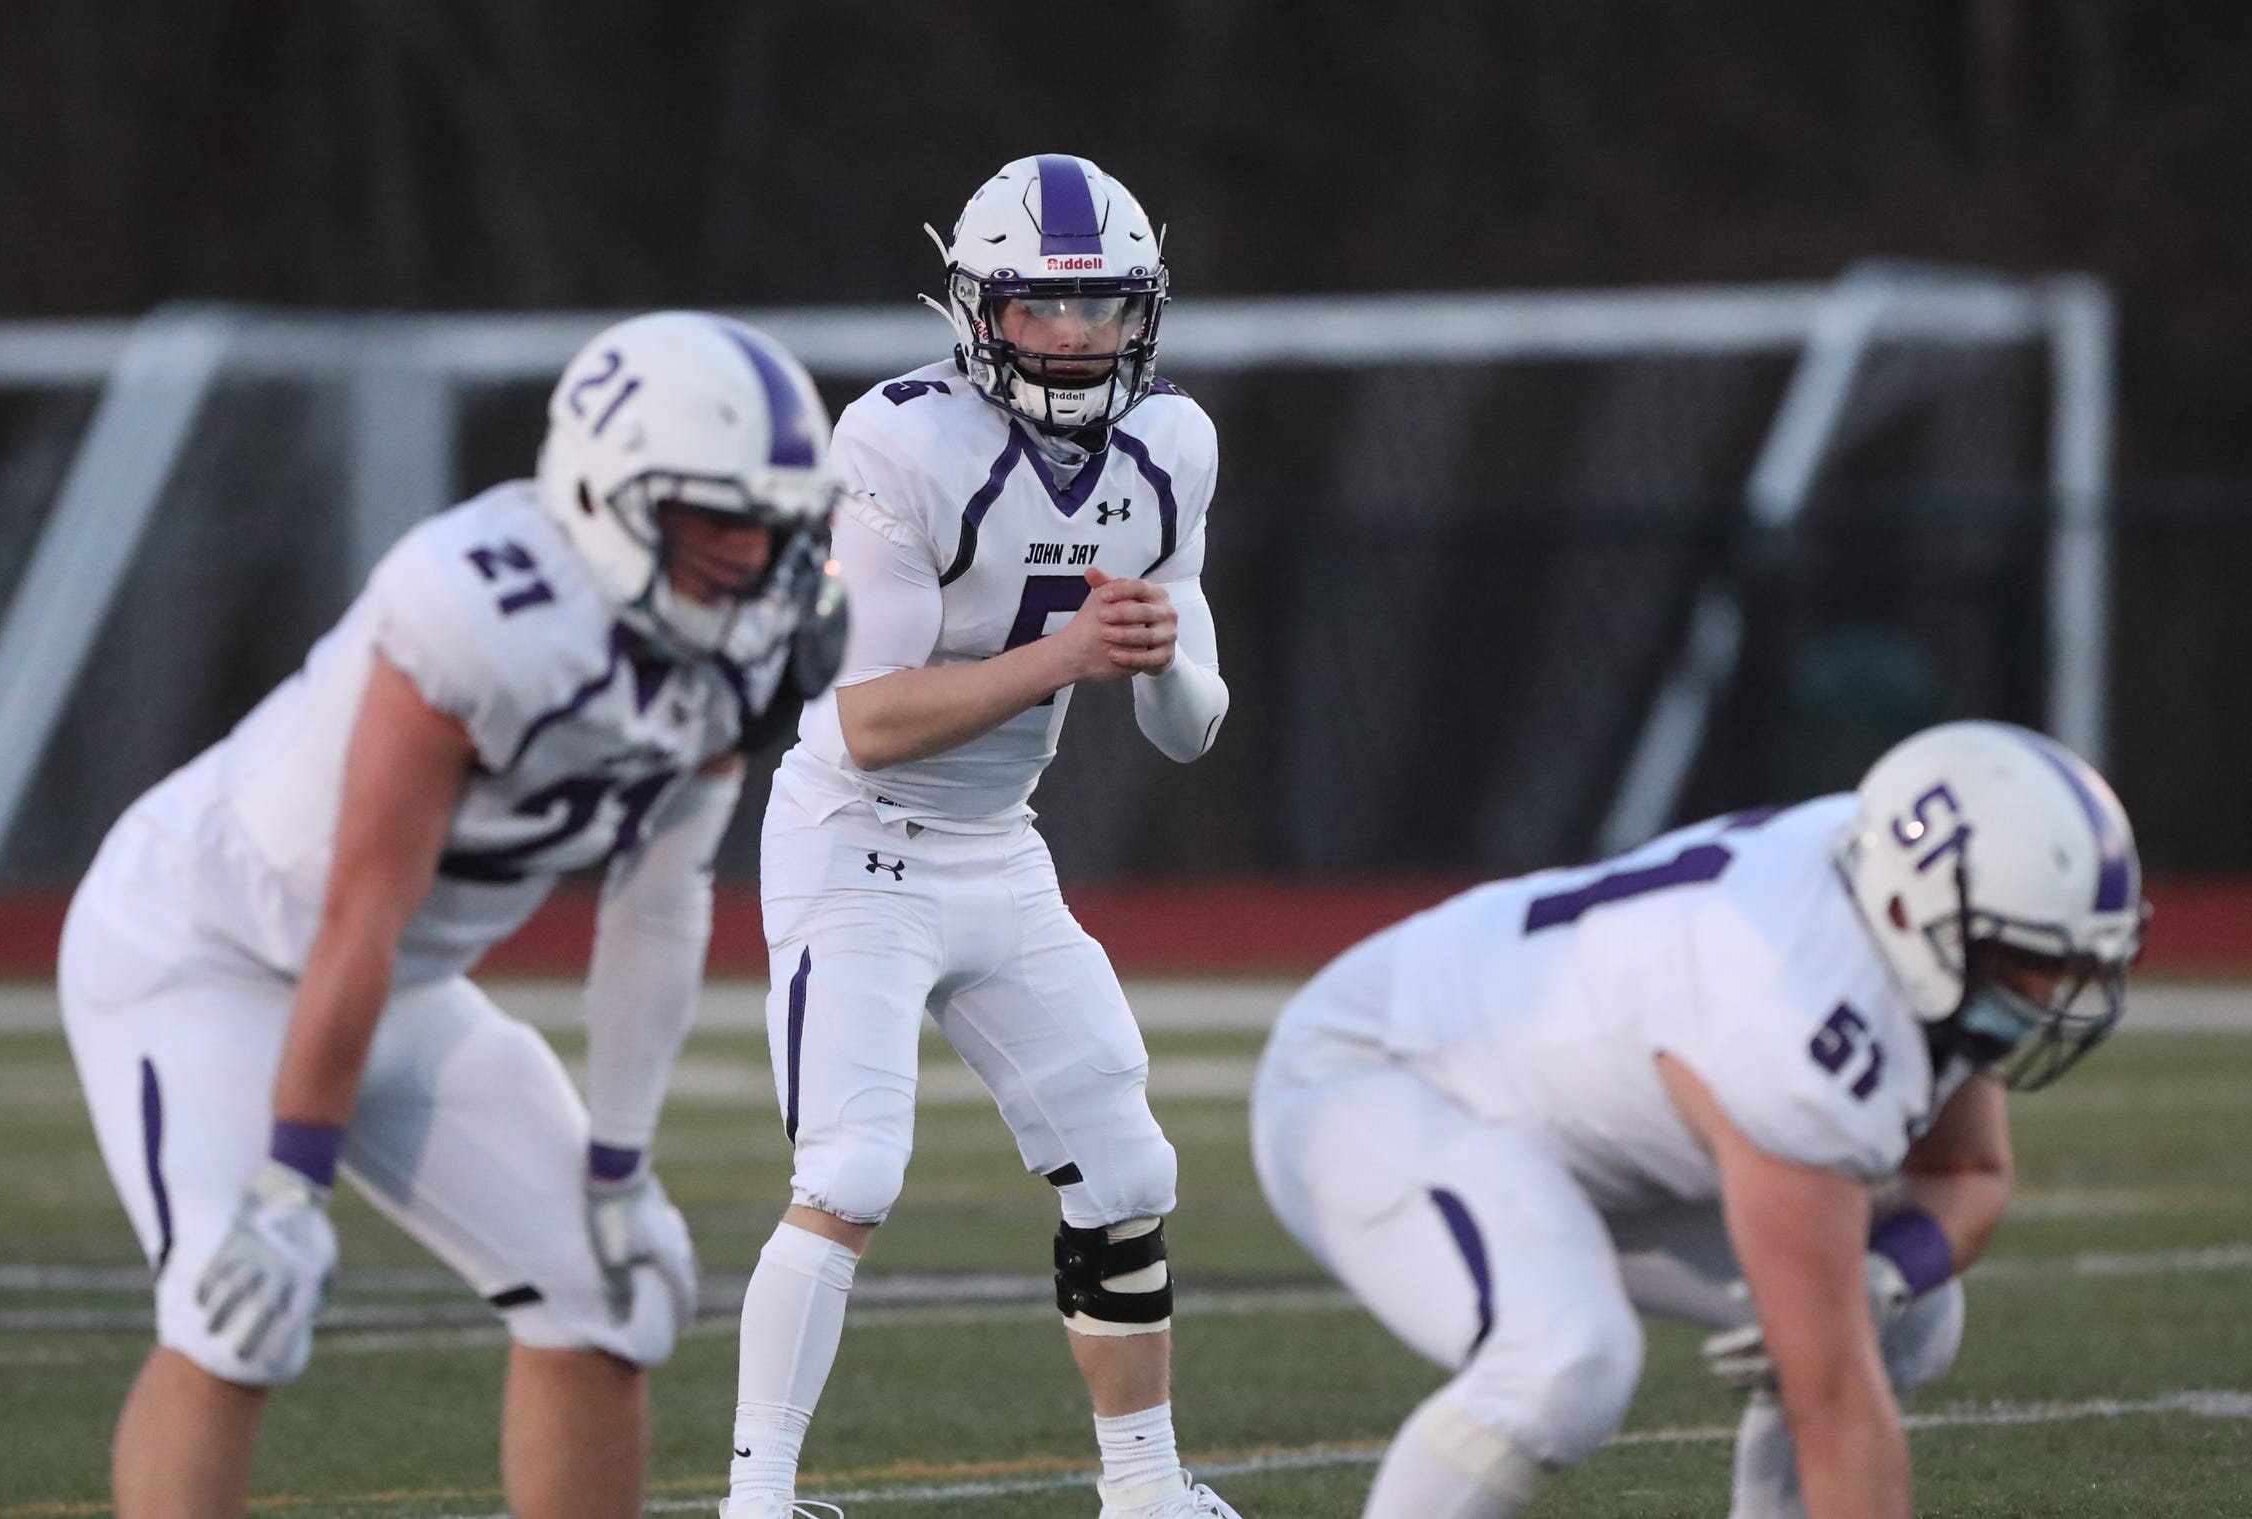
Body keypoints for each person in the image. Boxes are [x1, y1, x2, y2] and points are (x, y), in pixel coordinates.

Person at [57, 311, 845, 1519]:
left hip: (395, 978)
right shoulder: (478, 610)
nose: (747, 560)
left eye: (771, 527)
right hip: (201, 946)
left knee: (614, 1286)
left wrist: (622, 1163)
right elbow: (359, 911)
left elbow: (660, 900)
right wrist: (289, 1181)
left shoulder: (755, 644)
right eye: (714, 520)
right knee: (236, 1301)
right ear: (602, 486)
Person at [1251, 721, 2147, 1519]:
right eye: (2026, 960)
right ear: (1917, 912)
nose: (2045, 994)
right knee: (1565, 1358)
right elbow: (1832, 1401)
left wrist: (1891, 1270)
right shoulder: (1790, 1008)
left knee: (1909, 1310)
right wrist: (1854, 1295)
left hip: (1562, 1123)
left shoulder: (1893, 894)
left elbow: (1967, 1178)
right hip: (1376, 1079)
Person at [721, 155, 1240, 1519]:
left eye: (1103, 310)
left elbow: (1189, 723)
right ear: (974, 309)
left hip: (997, 844)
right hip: (858, 836)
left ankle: (1142, 1487)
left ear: (1147, 312)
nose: (1073, 340)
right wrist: (1073, 651)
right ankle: (756, 1501)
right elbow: (873, 720)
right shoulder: (900, 440)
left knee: (1126, 1167)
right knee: (851, 1168)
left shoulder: (1173, 444)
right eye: (1039, 310)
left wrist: (1160, 656)